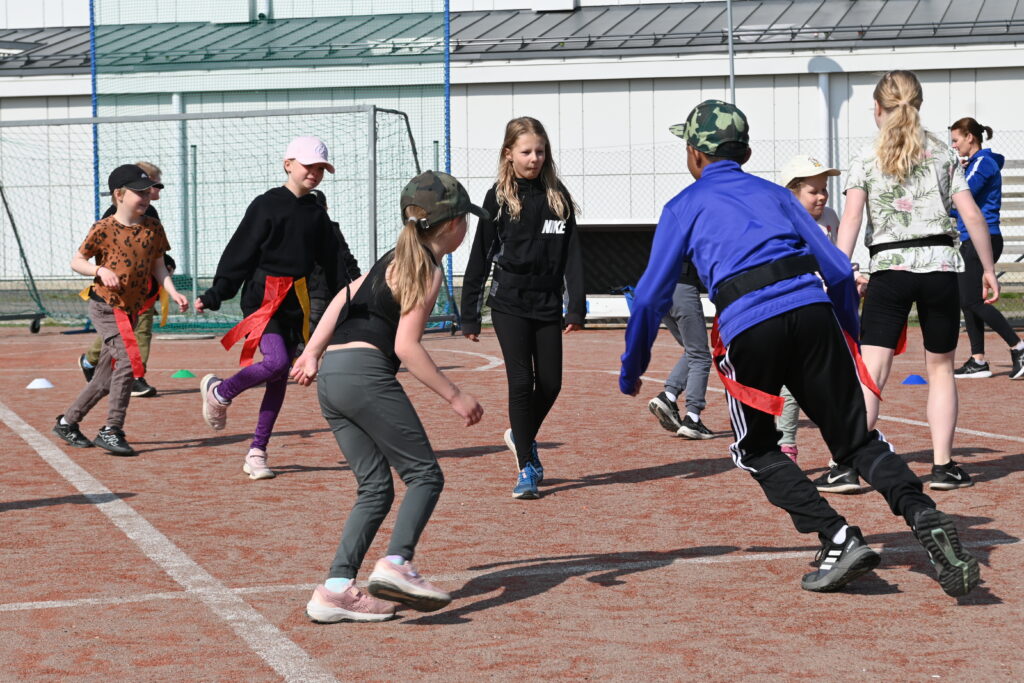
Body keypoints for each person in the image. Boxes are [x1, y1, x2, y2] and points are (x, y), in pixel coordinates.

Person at [620, 99, 980, 597]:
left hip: (749, 324)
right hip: (812, 311)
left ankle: (837, 536)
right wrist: (847, 337)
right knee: (856, 439)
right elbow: (835, 268)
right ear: (742, 151)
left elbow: (649, 298)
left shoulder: (683, 205)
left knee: (755, 448)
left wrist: (632, 368)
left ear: (696, 154)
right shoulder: (774, 194)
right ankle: (923, 513)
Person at [293, 170, 484, 623]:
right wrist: (455, 395)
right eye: (465, 221)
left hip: (332, 376)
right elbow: (405, 346)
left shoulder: (394, 255)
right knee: (425, 476)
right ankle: (397, 563)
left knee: (376, 489)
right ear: (453, 224)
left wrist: (313, 352)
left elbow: (342, 298)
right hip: (364, 374)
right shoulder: (429, 267)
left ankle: (335, 590)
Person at [835, 71, 1000, 493]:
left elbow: (851, 219)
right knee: (940, 367)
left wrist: (839, 271)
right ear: (918, 105)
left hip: (889, 270)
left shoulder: (864, 157)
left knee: (873, 369)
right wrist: (987, 268)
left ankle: (849, 466)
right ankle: (943, 467)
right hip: (940, 268)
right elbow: (972, 215)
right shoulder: (944, 154)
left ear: (877, 108)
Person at [195, 136, 350, 481]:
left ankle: (257, 451)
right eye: (308, 165)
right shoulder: (265, 205)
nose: (314, 172)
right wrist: (217, 292)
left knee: (279, 380)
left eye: (321, 168)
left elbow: (333, 264)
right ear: (288, 164)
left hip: (298, 301)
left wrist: (348, 299)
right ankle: (220, 391)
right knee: (277, 362)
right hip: (263, 298)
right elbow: (239, 253)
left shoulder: (316, 214)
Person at [460, 116, 585, 500]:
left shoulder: (558, 196)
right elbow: (479, 256)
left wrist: (575, 306)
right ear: (509, 153)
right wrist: (469, 311)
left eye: (540, 151)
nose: (534, 158)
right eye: (527, 151)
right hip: (509, 302)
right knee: (520, 381)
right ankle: (526, 467)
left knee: (550, 383)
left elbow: (572, 256)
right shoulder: (497, 198)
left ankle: (520, 434)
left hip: (546, 303)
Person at [53, 164, 188, 456]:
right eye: (138, 192)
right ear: (119, 194)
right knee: (128, 363)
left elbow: (158, 265)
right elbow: (77, 261)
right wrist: (99, 270)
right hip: (106, 308)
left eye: (148, 191)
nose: (146, 197)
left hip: (133, 308)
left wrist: (173, 291)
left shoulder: (152, 227)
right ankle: (112, 429)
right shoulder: (103, 229)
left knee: (103, 378)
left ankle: (68, 421)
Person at [773, 156, 851, 482]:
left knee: (835, 383)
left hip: (826, 311)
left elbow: (838, 260)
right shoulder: (779, 220)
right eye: (812, 191)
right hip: (792, 310)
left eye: (824, 190)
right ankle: (786, 445)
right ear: (791, 193)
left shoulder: (830, 218)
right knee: (790, 382)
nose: (821, 197)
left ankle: (843, 457)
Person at [78, 161, 170, 398]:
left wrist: (166, 268)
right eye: (149, 186)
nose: (154, 191)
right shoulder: (111, 219)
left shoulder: (151, 219)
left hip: (144, 286)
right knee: (125, 333)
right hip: (116, 292)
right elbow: (92, 254)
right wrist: (100, 271)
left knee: (138, 329)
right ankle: (131, 374)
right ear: (123, 193)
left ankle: (123, 371)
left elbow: (153, 253)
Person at [947, 117, 1024, 380]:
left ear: (970, 137)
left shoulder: (984, 162)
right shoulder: (973, 164)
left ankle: (1019, 346)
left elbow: (962, 196)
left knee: (971, 301)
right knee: (967, 300)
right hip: (972, 239)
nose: (954, 146)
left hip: (984, 238)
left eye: (956, 140)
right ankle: (978, 359)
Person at [646, 262, 714, 440]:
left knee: (692, 351)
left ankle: (668, 395)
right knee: (700, 356)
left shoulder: (667, 233)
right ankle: (692, 418)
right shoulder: (703, 232)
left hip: (658, 289)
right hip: (682, 288)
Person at [307, 188, 361, 334]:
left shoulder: (299, 230)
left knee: (306, 339)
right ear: (326, 207)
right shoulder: (331, 228)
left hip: (312, 294)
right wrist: (359, 282)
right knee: (339, 336)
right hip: (334, 292)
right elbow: (347, 257)